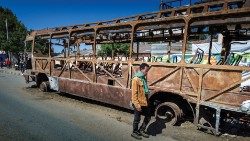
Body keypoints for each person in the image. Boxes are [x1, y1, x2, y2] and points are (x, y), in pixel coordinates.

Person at [131, 63, 151, 140]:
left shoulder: (143, 78)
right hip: (138, 102)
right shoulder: (136, 79)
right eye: (146, 71)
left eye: (147, 71)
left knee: (148, 116)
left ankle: (142, 130)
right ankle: (134, 132)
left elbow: (145, 91)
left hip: (144, 101)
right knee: (137, 119)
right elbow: (134, 94)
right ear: (141, 69)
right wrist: (137, 105)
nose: (147, 72)